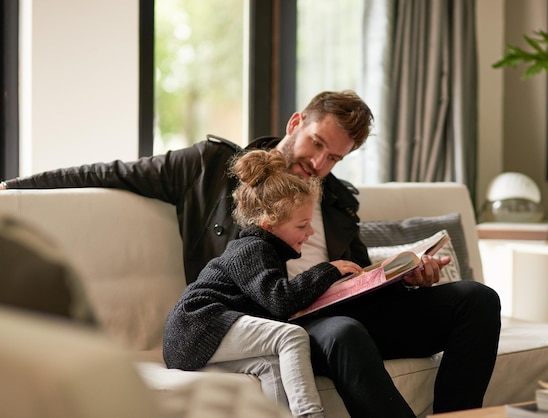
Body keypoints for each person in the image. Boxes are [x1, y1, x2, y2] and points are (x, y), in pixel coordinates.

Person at [1, 90, 501, 416]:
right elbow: (111, 172)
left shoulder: (339, 198)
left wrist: (403, 277)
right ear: (296, 121)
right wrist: (13, 187)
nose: (320, 164)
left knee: (476, 300)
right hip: (279, 315)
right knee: (344, 332)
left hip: (347, 307)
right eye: (317, 144)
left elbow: (361, 271)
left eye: (335, 158)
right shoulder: (213, 167)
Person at [163, 149, 362, 418]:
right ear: (269, 225)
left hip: (193, 338)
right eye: (303, 225)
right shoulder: (252, 249)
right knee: (290, 336)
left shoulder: (267, 250)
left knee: (270, 365)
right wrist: (328, 270)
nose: (311, 232)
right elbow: (280, 300)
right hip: (196, 324)